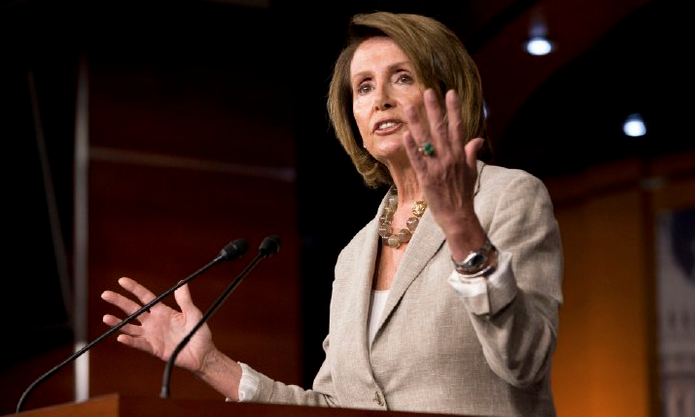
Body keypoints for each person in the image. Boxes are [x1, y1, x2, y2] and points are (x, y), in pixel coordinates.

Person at [101, 11, 564, 417]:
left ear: (447, 94)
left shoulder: (506, 197)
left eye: (402, 77)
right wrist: (209, 363)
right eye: (364, 87)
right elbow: (334, 407)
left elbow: (526, 362)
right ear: (353, 116)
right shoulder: (355, 255)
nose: (381, 98)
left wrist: (464, 233)